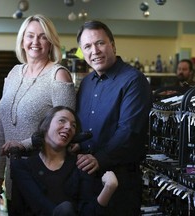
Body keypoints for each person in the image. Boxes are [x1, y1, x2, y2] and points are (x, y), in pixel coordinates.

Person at [0, 14, 76, 215]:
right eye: (30, 36)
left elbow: (66, 129)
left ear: (50, 42)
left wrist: (23, 145)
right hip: (16, 175)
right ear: (22, 41)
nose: (35, 42)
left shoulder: (58, 75)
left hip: (45, 175)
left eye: (42, 36)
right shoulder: (13, 73)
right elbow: (1, 124)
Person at [72, 20, 152, 215]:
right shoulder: (87, 83)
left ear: (113, 45)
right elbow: (83, 126)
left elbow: (130, 131)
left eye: (100, 43)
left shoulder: (134, 80)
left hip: (121, 180)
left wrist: (99, 158)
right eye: (87, 46)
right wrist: (76, 144)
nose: (95, 51)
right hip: (86, 177)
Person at [10, 106, 118, 216]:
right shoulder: (22, 167)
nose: (68, 127)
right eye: (62, 120)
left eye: (73, 125)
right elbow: (26, 208)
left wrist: (109, 188)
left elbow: (89, 212)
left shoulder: (81, 164)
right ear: (46, 126)